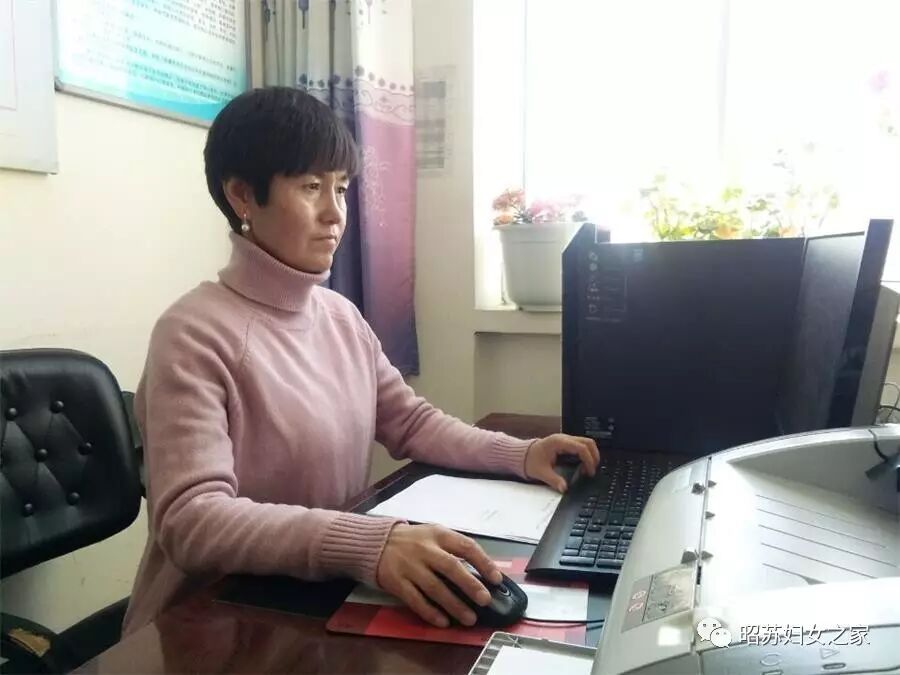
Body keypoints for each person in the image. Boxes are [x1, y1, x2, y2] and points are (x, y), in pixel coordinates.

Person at [122, 86, 599, 636]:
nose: (335, 213)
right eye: (310, 187)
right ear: (242, 195)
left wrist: (521, 453)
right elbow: (191, 519)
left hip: (310, 601)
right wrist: (370, 543)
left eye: (342, 188)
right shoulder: (191, 333)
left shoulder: (339, 315)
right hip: (206, 626)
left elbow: (411, 423)